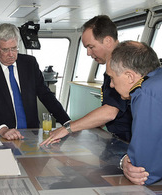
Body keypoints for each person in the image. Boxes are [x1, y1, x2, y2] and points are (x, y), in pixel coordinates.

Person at [40, 15, 132, 146]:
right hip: (117, 138)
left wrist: (68, 128)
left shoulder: (124, 66)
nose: (88, 53)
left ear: (108, 41)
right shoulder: (112, 67)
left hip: (129, 142)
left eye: (91, 46)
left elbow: (110, 112)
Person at [0, 23, 70, 140]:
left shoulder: (30, 63)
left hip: (31, 132)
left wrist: (67, 123)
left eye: (14, 48)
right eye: (5, 50)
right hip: (4, 135)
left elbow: (46, 95)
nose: (11, 54)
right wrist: (3, 129)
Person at [107, 40, 162, 185]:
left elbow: (144, 171)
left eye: (112, 78)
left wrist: (124, 162)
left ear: (129, 76)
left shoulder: (147, 92)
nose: (111, 85)